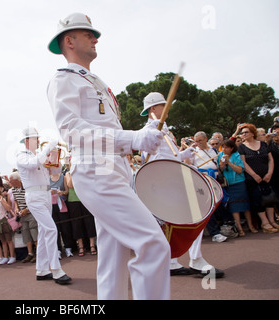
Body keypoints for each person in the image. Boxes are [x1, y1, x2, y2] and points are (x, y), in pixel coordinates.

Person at [47, 13, 168, 299]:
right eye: (88, 33)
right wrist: (134, 138)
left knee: (115, 255)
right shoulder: (63, 81)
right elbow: (73, 131)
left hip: (115, 168)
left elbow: (105, 130)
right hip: (95, 169)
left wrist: (138, 137)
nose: (95, 37)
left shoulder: (95, 81)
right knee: (153, 244)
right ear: (69, 41)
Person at [140, 92, 224, 278]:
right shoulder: (150, 131)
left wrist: (186, 154)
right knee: (194, 214)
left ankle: (174, 261)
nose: (168, 109)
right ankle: (194, 260)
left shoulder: (163, 130)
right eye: (164, 105)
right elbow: (157, 159)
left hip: (169, 180)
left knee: (177, 222)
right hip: (164, 183)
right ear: (153, 108)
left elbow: (170, 157)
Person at [16, 127, 72, 285]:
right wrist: (47, 149)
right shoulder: (22, 156)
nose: (39, 141)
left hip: (46, 194)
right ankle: (56, 269)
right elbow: (34, 164)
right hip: (34, 196)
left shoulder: (39, 155)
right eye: (35, 138)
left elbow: (55, 170)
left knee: (43, 232)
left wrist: (55, 156)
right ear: (27, 141)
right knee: (50, 229)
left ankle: (42, 270)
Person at [237, 123, 279, 233]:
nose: (243, 134)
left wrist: (270, 173)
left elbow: (270, 159)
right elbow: (243, 163)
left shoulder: (263, 144)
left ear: (252, 133)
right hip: (253, 179)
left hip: (267, 177)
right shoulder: (242, 147)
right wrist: (254, 175)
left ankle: (272, 221)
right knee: (258, 200)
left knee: (270, 199)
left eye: (246, 132)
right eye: (242, 133)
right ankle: (265, 223)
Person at [218, 139, 257, 236]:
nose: (224, 149)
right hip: (229, 184)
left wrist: (229, 163)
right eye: (223, 147)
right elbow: (221, 170)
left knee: (245, 205)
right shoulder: (219, 155)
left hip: (239, 183)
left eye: (226, 147)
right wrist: (222, 165)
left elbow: (240, 170)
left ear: (231, 148)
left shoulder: (236, 155)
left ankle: (250, 226)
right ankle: (239, 228)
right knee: (234, 207)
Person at [64, 170, 97, 256]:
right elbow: (70, 185)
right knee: (76, 224)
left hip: (86, 199)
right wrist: (74, 172)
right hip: (73, 201)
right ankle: (81, 246)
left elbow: (88, 184)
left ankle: (92, 245)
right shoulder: (68, 173)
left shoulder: (84, 171)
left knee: (89, 222)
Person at [8, 171, 38, 263]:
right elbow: (16, 201)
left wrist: (27, 210)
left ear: (16, 180)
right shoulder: (13, 189)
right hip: (22, 215)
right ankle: (30, 254)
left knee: (34, 234)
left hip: (31, 213)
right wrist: (16, 208)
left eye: (11, 180)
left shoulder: (27, 187)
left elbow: (33, 199)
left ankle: (38, 254)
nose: (9, 182)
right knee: (26, 234)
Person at [50, 170, 75, 259]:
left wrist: (62, 193)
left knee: (65, 227)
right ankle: (58, 250)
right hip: (51, 207)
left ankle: (68, 248)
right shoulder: (47, 178)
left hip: (62, 205)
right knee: (54, 229)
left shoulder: (62, 177)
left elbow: (67, 191)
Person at [0, 188, 17, 265]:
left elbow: (8, 208)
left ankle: (12, 256)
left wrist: (1, 199)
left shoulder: (2, 201)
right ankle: (5, 257)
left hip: (4, 221)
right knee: (3, 241)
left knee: (9, 240)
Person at [267, 124, 279, 225]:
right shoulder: (270, 145)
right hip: (276, 176)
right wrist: (267, 141)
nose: (276, 134)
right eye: (274, 132)